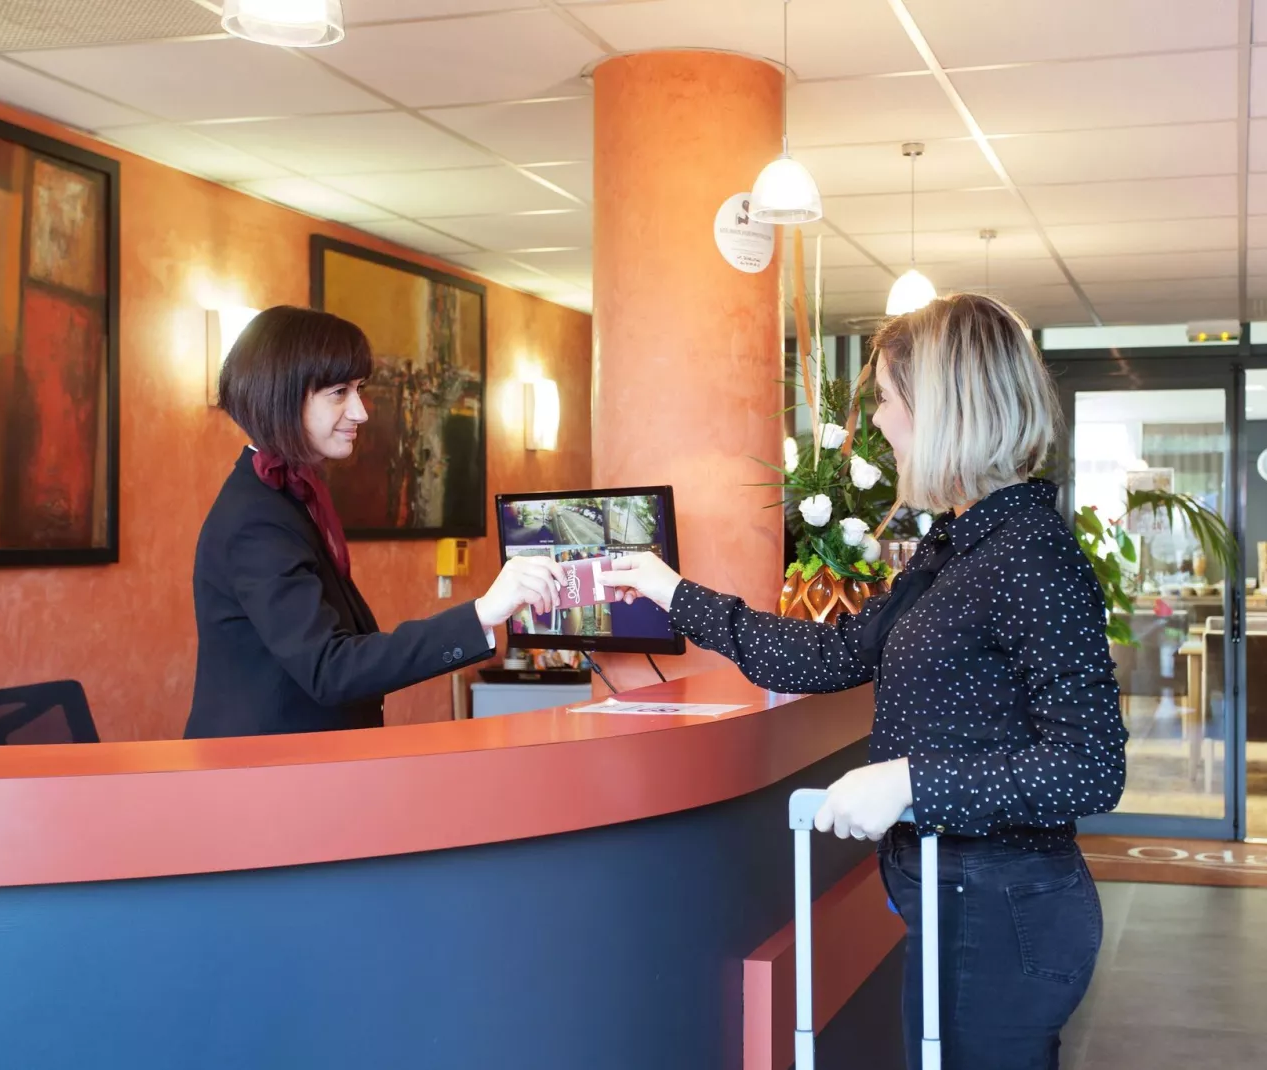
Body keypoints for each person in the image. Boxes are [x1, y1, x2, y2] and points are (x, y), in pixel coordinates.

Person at [601, 293, 1127, 1069]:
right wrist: (672, 593)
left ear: (944, 408)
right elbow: (832, 654)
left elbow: (1089, 766)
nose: (877, 422)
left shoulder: (1029, 555)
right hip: (960, 899)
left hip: (1000, 911)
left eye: (885, 399)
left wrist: (912, 781)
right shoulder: (959, 544)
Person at [187, 306, 563, 739]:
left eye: (359, 389)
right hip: (265, 770)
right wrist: (482, 612)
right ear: (281, 395)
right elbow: (330, 667)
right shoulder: (256, 519)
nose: (361, 412)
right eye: (339, 392)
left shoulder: (287, 497)